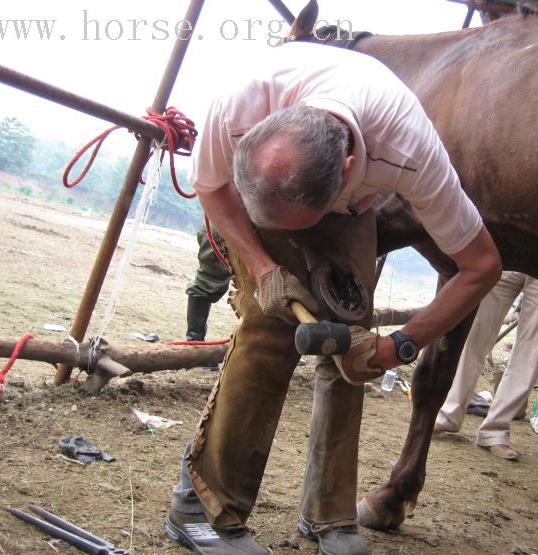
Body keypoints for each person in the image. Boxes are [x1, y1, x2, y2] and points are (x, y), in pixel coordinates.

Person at [166, 41, 501, 555]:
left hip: (352, 199)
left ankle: (329, 515)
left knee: (352, 345)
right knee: (269, 330)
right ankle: (205, 509)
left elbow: (481, 266)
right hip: (264, 194)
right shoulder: (236, 105)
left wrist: (398, 346)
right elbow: (211, 187)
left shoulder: (410, 153)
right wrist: (261, 266)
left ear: (347, 170)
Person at [434, 272, 538, 461]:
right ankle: (448, 415)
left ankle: (495, 431)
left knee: (533, 351)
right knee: (473, 333)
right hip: (506, 256)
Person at [185, 224, 231, 368]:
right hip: (224, 225)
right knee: (208, 280)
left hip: (267, 229)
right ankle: (195, 345)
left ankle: (280, 348)